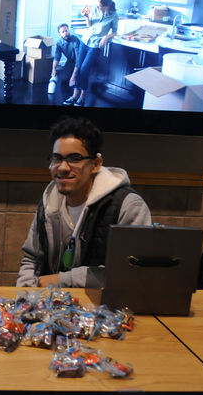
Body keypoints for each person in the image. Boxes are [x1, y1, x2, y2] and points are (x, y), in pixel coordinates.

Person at [17, 117, 151, 288]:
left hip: (105, 309)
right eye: (57, 159)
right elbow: (31, 258)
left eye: (74, 158)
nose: (63, 168)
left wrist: (62, 279)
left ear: (96, 164)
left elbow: (131, 271)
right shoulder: (49, 202)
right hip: (54, 308)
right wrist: (26, 294)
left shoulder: (127, 205)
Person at [64, 0, 119, 108]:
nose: (98, 8)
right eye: (98, 6)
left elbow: (115, 31)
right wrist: (86, 16)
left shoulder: (114, 15)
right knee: (79, 67)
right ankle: (74, 96)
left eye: (100, 6)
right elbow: (90, 25)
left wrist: (106, 37)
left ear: (107, 5)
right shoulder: (95, 9)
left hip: (95, 45)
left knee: (84, 69)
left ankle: (82, 97)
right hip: (85, 41)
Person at [50, 23, 82, 93]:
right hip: (71, 61)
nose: (66, 33)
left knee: (76, 82)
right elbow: (57, 57)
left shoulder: (75, 40)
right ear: (60, 34)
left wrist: (73, 77)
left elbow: (79, 60)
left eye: (66, 31)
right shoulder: (59, 42)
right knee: (64, 80)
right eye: (63, 32)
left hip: (81, 61)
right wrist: (54, 69)